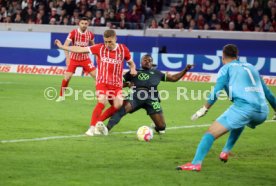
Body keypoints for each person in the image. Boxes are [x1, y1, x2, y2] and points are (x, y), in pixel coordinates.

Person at [177, 44, 276, 172]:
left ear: (222, 57)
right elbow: (268, 93)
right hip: (263, 112)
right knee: (240, 122)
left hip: (244, 108)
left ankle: (196, 163)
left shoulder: (226, 68)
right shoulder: (251, 67)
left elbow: (216, 91)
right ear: (237, 56)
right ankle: (225, 151)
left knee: (209, 134)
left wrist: (204, 108)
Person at [55, 29, 137, 136]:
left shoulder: (123, 49)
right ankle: (92, 128)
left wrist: (133, 69)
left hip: (117, 84)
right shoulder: (99, 48)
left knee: (118, 105)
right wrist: (63, 47)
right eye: (106, 41)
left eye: (110, 42)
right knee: (102, 102)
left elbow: (131, 63)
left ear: (115, 38)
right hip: (102, 82)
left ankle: (99, 121)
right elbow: (79, 49)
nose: (107, 44)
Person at [106, 54, 193, 133]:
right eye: (145, 60)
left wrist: (185, 70)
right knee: (122, 109)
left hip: (152, 97)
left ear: (152, 63)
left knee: (162, 127)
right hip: (136, 95)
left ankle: (156, 127)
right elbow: (119, 83)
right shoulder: (133, 71)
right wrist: (127, 84)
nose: (147, 62)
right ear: (141, 62)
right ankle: (106, 128)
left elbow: (174, 78)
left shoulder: (157, 73)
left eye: (149, 61)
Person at [56, 16, 96, 102]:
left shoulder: (90, 34)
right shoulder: (73, 33)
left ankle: (101, 96)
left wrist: (97, 58)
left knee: (97, 77)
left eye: (86, 24)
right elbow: (65, 45)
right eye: (82, 23)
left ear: (88, 24)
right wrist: (67, 58)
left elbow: (94, 47)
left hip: (85, 59)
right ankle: (61, 96)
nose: (84, 25)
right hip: (74, 59)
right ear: (79, 23)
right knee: (67, 77)